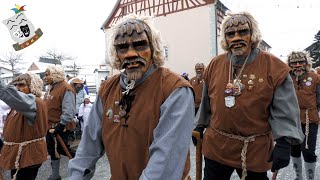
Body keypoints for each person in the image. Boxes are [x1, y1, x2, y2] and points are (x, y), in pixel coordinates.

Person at [68, 14, 194, 180]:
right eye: (122, 48)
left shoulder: (175, 89)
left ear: (154, 48)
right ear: (116, 54)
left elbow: (165, 161)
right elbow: (88, 146)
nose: (130, 54)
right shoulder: (107, 89)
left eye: (140, 45)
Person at [192, 11, 304, 180]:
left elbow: (284, 107)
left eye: (243, 32)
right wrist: (200, 125)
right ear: (225, 39)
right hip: (218, 146)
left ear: (253, 35)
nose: (236, 38)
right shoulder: (215, 64)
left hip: (253, 149)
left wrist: (284, 142)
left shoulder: (273, 66)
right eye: (230, 34)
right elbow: (208, 100)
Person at [0, 73, 48, 180]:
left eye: (22, 85)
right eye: (16, 85)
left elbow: (7, 92)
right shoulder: (19, 107)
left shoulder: (34, 103)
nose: (18, 88)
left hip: (28, 155)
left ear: (32, 86)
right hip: (20, 155)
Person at [287, 51, 320, 180]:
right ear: (290, 64)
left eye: (301, 62)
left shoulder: (315, 78)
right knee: (294, 150)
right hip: (291, 120)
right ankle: (298, 177)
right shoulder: (286, 78)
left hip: (309, 119)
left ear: (306, 63)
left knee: (308, 151)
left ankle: (310, 178)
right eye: (294, 63)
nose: (298, 65)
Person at [43, 65, 76, 180]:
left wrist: (61, 125)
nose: (44, 77)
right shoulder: (50, 89)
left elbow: (69, 110)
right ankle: (55, 175)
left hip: (60, 127)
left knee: (63, 149)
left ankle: (83, 166)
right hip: (49, 127)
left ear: (55, 74)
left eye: (47, 74)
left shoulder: (66, 88)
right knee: (52, 151)